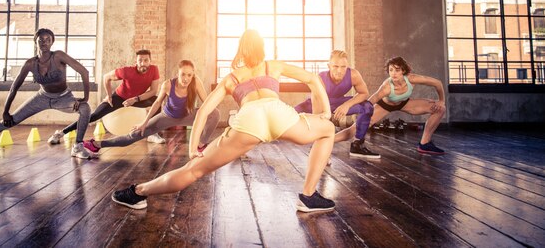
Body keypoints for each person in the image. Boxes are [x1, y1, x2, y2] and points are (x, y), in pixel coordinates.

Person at [110, 30, 336, 213]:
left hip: (248, 122)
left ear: (241, 50)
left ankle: (137, 192)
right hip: (279, 114)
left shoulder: (231, 79)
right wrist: (325, 112)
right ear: (262, 48)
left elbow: (203, 111)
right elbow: (314, 79)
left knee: (193, 170)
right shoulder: (273, 65)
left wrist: (192, 148)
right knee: (327, 130)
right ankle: (308, 196)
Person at [0, 28, 93, 159]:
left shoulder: (59, 56)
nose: (44, 42)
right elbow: (14, 87)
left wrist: (85, 97)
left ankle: (78, 146)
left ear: (52, 42)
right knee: (10, 121)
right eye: (41, 39)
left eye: (48, 39)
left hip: (63, 98)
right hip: (42, 97)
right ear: (35, 42)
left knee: (85, 108)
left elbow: (84, 72)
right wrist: (5, 111)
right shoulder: (30, 64)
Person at [82, 59, 220, 155]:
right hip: (167, 117)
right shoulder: (168, 85)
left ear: (193, 74)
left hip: (188, 115)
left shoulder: (195, 83)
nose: (186, 78)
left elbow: (207, 102)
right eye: (183, 74)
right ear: (177, 73)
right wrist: (144, 122)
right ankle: (97, 144)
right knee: (134, 136)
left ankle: (201, 145)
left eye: (189, 75)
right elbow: (157, 103)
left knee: (215, 113)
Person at [47, 49, 166, 145]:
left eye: (146, 60)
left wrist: (135, 99)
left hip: (136, 99)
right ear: (136, 61)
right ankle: (60, 133)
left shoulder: (154, 70)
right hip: (119, 98)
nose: (143, 63)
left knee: (157, 101)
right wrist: (109, 96)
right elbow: (106, 77)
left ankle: (151, 134)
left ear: (150, 61)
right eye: (140, 60)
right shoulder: (127, 71)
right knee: (93, 116)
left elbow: (153, 91)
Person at [338, 56, 446, 155]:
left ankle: (425, 144)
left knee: (440, 109)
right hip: (385, 106)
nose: (393, 73)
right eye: (391, 70)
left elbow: (437, 83)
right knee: (354, 129)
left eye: (397, 70)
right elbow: (371, 101)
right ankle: (326, 141)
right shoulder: (386, 87)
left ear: (403, 71)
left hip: (404, 103)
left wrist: (441, 100)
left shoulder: (412, 79)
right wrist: (357, 112)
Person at [296, 50, 379, 159]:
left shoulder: (353, 74)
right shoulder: (320, 79)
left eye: (343, 67)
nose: (339, 70)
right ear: (329, 66)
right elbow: (319, 109)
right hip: (316, 103)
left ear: (347, 66)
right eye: (335, 66)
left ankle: (357, 145)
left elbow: (364, 93)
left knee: (367, 106)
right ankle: (320, 147)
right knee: (289, 115)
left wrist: (347, 105)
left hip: (339, 102)